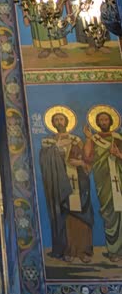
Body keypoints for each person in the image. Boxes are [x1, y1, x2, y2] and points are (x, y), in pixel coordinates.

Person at [40, 112, 93, 262]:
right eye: (56, 119)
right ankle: (67, 250)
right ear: (52, 123)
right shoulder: (48, 141)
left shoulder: (76, 139)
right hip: (60, 184)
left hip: (79, 181)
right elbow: (44, 161)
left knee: (82, 214)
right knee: (65, 214)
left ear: (67, 121)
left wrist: (81, 162)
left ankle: (82, 251)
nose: (59, 122)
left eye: (61, 119)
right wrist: (56, 148)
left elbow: (87, 158)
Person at [84, 111, 122, 263]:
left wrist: (118, 154)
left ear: (111, 121)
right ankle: (114, 250)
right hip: (104, 181)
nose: (104, 122)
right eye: (101, 120)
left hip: (119, 178)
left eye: (106, 119)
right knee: (110, 213)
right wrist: (88, 138)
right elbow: (88, 158)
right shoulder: (94, 139)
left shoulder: (118, 138)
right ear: (97, 123)